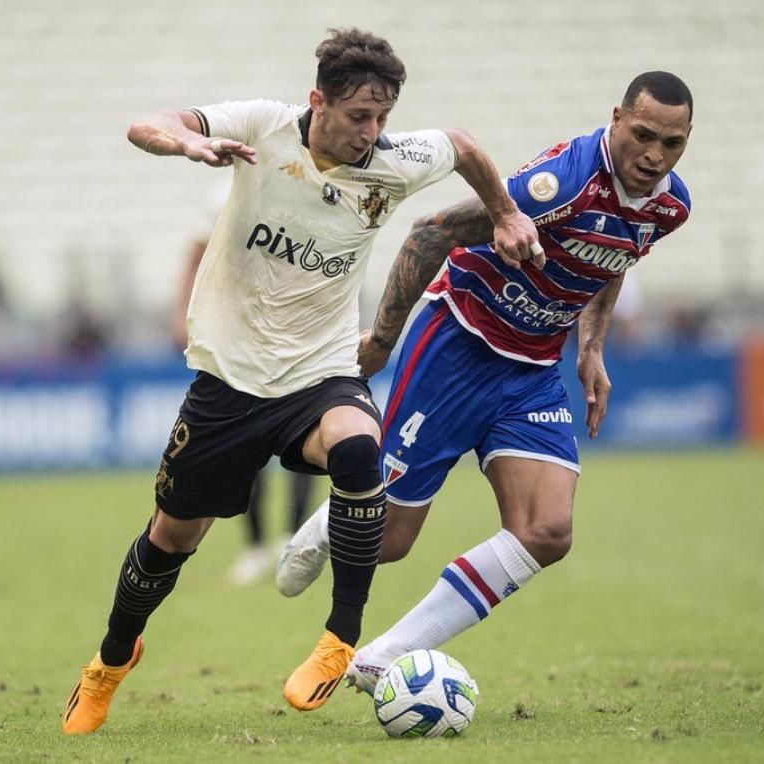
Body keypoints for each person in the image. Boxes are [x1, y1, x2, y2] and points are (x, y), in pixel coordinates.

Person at [61, 27, 540, 735]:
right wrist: (185, 144)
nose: (372, 133)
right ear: (318, 101)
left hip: (320, 373)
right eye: (358, 118)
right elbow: (148, 124)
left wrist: (503, 211)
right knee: (171, 537)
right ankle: (109, 660)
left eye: (382, 118)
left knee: (357, 452)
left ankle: (339, 637)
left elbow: (464, 145)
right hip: (230, 379)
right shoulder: (261, 126)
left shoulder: (391, 159)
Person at [276, 71, 694, 702]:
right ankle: (330, 523)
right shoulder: (559, 185)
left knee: (548, 531)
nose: (654, 156)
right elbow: (428, 233)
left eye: (673, 143)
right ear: (615, 118)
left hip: (531, 372)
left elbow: (614, 257)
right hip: (458, 346)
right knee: (388, 541)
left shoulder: (670, 205)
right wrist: (383, 342)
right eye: (642, 135)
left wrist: (593, 346)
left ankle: (379, 660)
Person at [172, 179, 318, 586]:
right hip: (240, 349)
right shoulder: (223, 196)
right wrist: (181, 315)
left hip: (294, 346)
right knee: (246, 450)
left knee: (303, 445)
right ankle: (256, 547)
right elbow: (196, 253)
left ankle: (295, 540)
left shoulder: (296, 196)